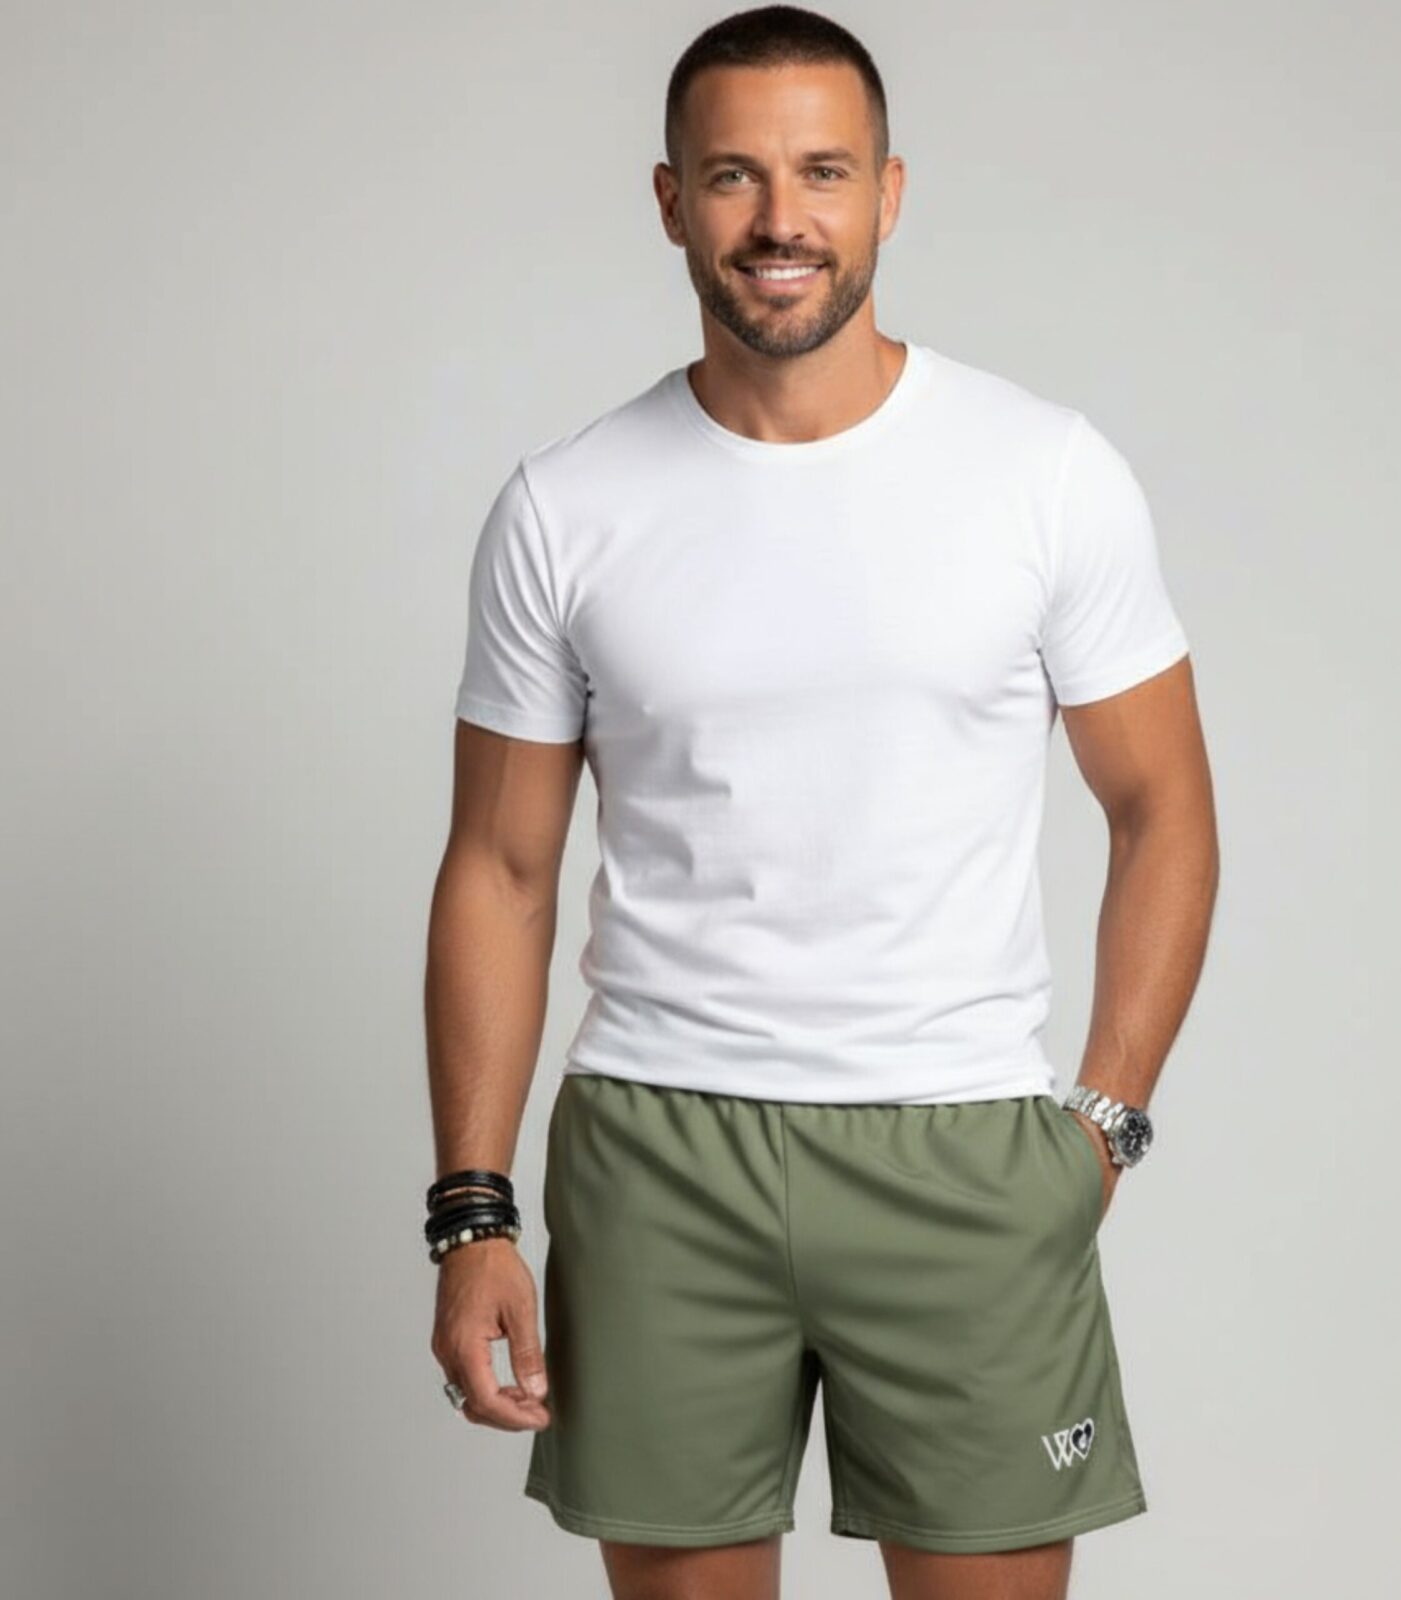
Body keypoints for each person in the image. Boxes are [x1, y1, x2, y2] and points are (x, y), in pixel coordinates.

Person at [423, 6, 1219, 1596]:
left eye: (824, 172)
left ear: (890, 194)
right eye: (734, 175)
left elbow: (1165, 814)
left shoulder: (1043, 473)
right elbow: (500, 869)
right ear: (672, 202)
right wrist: (473, 1212)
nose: (781, 218)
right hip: (661, 1155)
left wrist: (1105, 1126)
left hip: (962, 1151)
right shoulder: (568, 508)